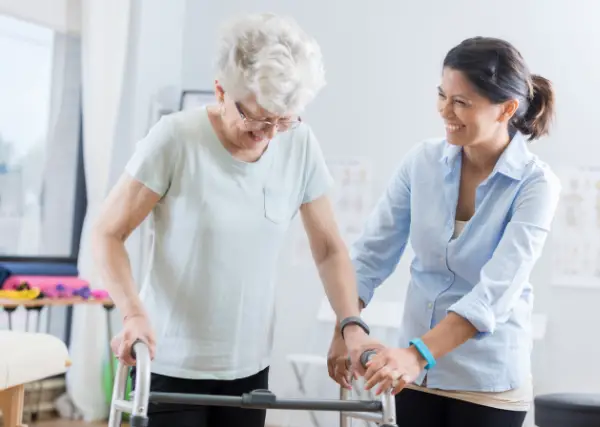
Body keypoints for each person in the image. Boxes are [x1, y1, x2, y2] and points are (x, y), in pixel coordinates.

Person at [93, 12, 381, 427]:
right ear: (221, 90)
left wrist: (350, 322)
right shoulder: (175, 139)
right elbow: (108, 232)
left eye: (282, 120)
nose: (269, 133)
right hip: (171, 361)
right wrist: (132, 313)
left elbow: (329, 248)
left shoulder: (298, 143)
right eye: (257, 118)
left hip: (249, 366)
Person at [327, 36, 561, 427]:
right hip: (416, 378)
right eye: (442, 95)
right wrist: (347, 324)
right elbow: (370, 255)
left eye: (461, 102)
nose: (445, 111)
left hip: (486, 383)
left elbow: (493, 294)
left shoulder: (535, 184)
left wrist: (416, 354)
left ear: (507, 108)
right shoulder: (422, 162)